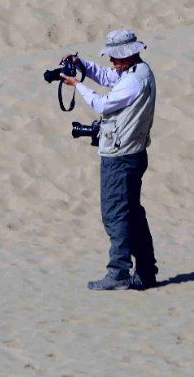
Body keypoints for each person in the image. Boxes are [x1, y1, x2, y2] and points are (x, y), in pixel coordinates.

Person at [61, 28, 159, 290]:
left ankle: (118, 272)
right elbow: (107, 76)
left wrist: (77, 85)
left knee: (115, 214)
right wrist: (81, 65)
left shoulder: (134, 79)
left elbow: (103, 105)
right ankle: (146, 271)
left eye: (116, 56)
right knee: (132, 213)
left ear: (129, 54)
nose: (112, 60)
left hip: (121, 156)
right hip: (130, 153)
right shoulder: (136, 71)